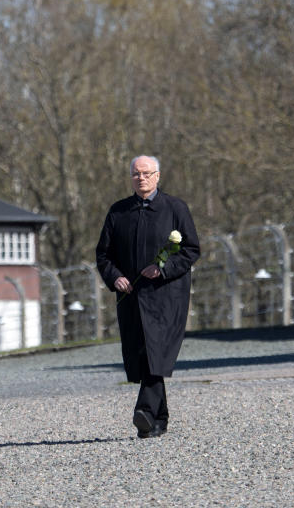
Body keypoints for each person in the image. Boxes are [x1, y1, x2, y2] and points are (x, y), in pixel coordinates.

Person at [95, 155, 200, 438]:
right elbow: (103, 254)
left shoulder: (175, 208)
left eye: (146, 173)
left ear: (157, 176)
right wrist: (114, 276)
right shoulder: (119, 212)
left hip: (167, 297)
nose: (141, 178)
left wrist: (163, 269)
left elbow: (191, 250)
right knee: (142, 354)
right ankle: (157, 420)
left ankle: (143, 410)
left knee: (158, 351)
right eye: (135, 174)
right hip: (131, 297)